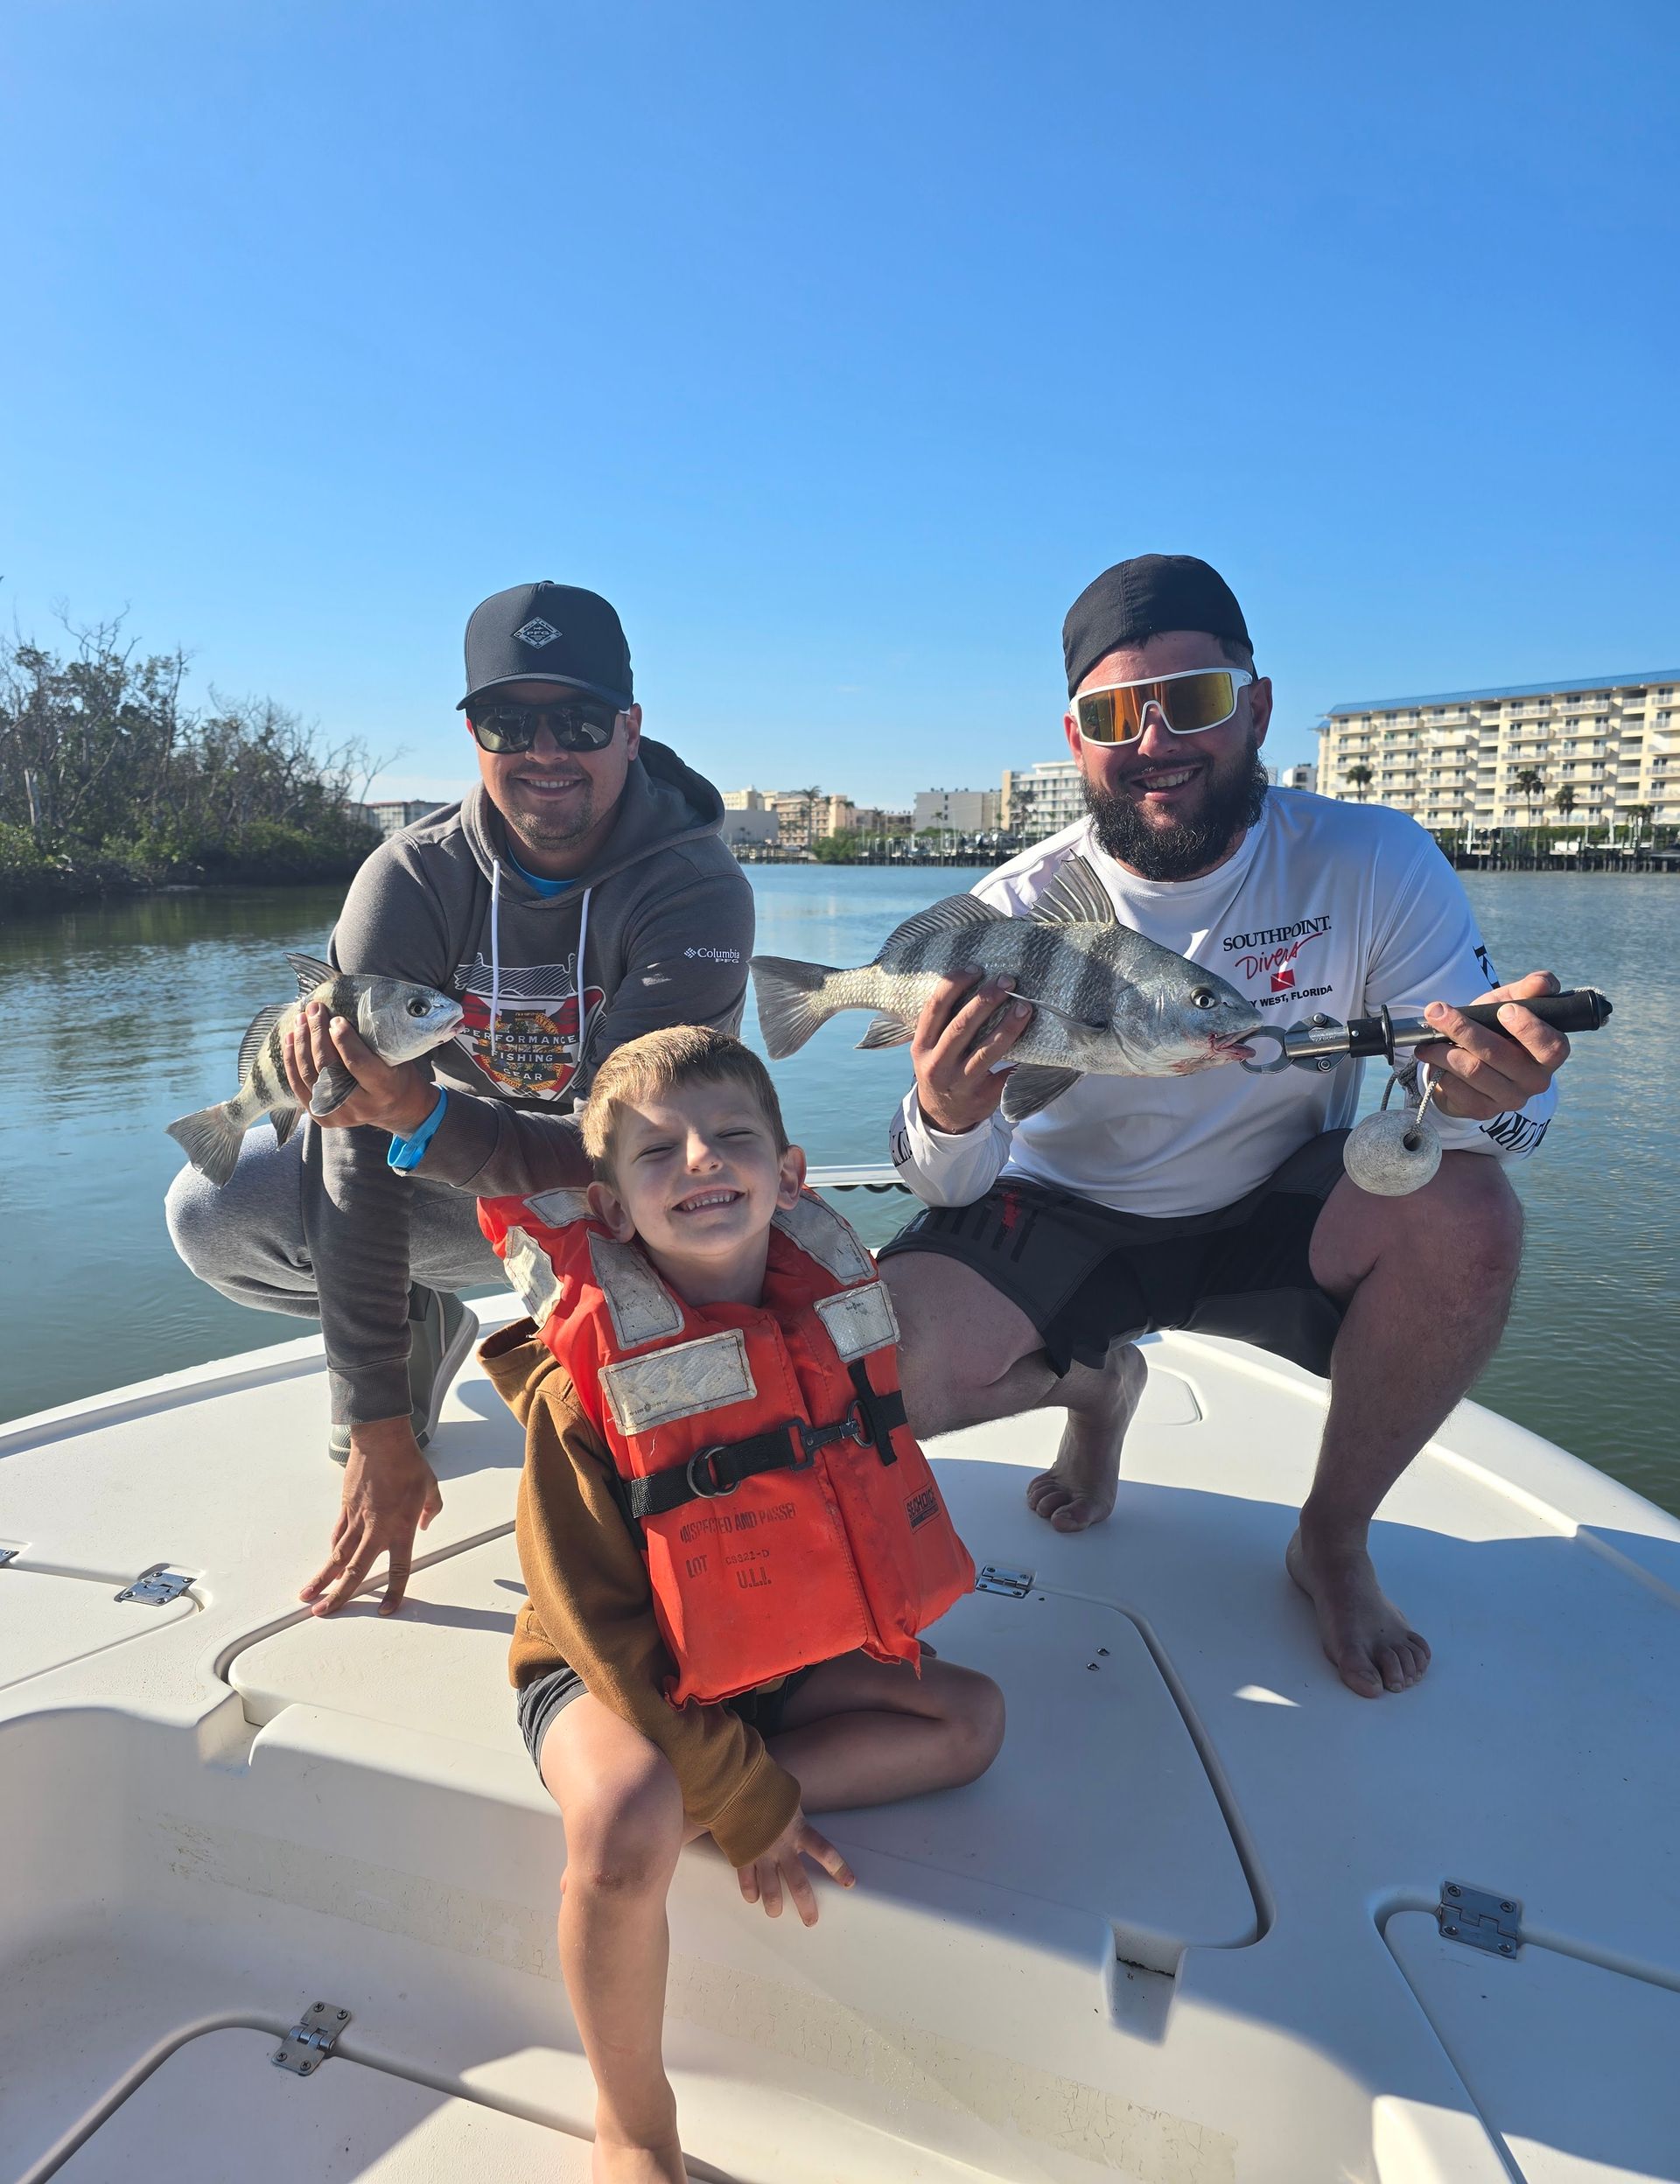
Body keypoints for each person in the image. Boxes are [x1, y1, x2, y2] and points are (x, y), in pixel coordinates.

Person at [878, 554, 1572, 1699]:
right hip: (1060, 1211)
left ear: (1255, 706)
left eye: (1193, 699)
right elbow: (943, 1185)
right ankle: (1094, 1388)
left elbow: (1508, 1131)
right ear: (1074, 738)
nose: (1155, 738)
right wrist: (948, 1115)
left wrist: (1485, 1103)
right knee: (861, 1378)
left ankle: (1333, 1537)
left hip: (1280, 1204)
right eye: (1114, 713)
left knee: (1472, 1213)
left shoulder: (1373, 861)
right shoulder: (1009, 912)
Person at [164, 581, 754, 1617]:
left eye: (576, 720)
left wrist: (423, 1117)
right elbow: (351, 1145)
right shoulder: (408, 879)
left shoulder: (693, 888)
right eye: (506, 721)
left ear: (631, 727)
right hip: (447, 1183)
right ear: (472, 731)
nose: (544, 751)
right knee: (215, 1211)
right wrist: (377, 1416)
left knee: (675, 1496)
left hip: (623, 1199)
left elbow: (634, 1144)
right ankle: (416, 1323)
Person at [477, 1026, 1003, 2184]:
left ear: (792, 1172)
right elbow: (599, 1634)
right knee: (622, 1829)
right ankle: (633, 2123)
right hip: (607, 1674)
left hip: (767, 1654)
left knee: (972, 1723)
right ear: (610, 1210)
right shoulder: (582, 1390)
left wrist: (751, 1790)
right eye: (656, 1151)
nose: (701, 1161)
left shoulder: (831, 1316)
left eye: (733, 1137)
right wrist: (731, 1787)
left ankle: (727, 1799)